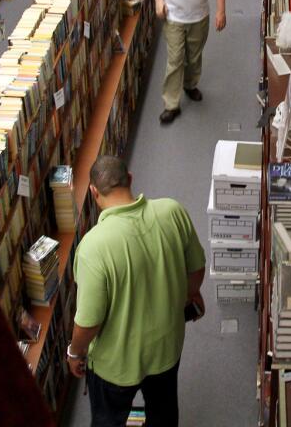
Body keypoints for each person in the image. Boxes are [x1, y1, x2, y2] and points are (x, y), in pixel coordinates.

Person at [66, 155, 206, 427]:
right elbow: (196, 269)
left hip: (115, 365)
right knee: (163, 413)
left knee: (108, 419)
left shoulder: (92, 247)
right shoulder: (172, 211)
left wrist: (75, 352)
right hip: (166, 348)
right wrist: (191, 294)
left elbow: (88, 322)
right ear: (130, 178)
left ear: (94, 192)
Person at [147, 0, 226, 124]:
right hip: (174, 17)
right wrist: (158, 0)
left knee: (194, 55)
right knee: (175, 59)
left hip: (199, 16)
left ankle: (190, 85)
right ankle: (171, 104)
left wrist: (221, 11)